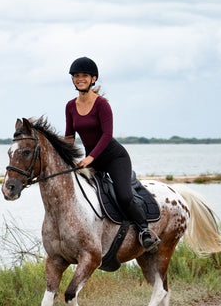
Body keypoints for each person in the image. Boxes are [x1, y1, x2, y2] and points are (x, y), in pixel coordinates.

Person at [64, 57, 159, 252]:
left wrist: (90, 158)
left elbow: (107, 135)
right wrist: (66, 158)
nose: (80, 79)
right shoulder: (70, 106)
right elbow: (69, 136)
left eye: (84, 76)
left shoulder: (102, 105)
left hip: (114, 157)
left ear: (93, 79)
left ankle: (144, 231)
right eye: (76, 76)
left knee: (124, 197)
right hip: (91, 159)